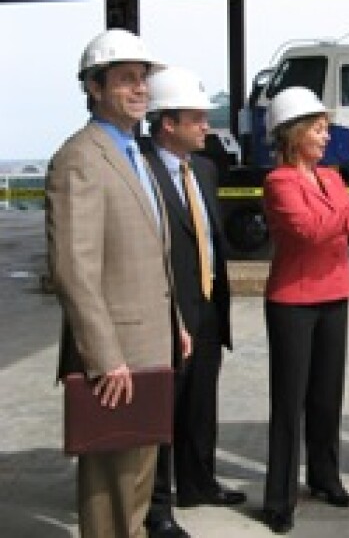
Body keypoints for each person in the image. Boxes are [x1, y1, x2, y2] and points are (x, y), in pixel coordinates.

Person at [46, 28, 192, 538]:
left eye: (143, 79)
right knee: (110, 495)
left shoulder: (134, 154)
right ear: (94, 87)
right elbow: (74, 269)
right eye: (126, 79)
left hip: (149, 347)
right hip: (116, 360)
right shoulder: (81, 159)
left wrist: (174, 323)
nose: (139, 89)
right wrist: (105, 357)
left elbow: (151, 253)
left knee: (136, 489)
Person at [260, 87, 349, 534]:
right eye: (319, 129)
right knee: (290, 401)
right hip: (293, 301)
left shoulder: (332, 177)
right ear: (295, 133)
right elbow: (311, 231)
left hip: (332, 294)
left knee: (326, 396)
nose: (326, 137)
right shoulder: (279, 183)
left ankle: (325, 476)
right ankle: (279, 497)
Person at [140, 67, 246, 538]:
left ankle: (198, 481)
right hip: (168, 312)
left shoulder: (203, 169)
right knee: (163, 408)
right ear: (168, 123)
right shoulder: (138, 170)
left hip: (206, 306)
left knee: (201, 402)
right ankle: (157, 505)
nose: (207, 126)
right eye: (197, 118)